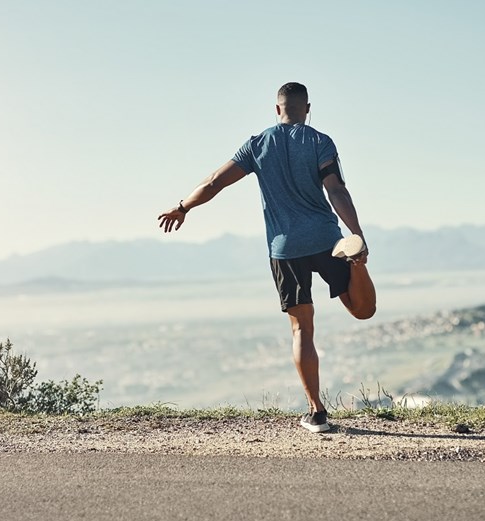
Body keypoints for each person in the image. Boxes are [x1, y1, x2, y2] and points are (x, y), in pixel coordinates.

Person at [157, 82, 376, 433]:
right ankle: (357, 264)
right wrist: (357, 234)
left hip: (285, 249)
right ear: (307, 108)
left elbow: (214, 182)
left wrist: (183, 207)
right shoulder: (320, 141)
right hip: (325, 238)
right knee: (363, 310)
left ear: (277, 110)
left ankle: (317, 412)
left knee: (302, 328)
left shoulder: (258, 144)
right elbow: (336, 189)